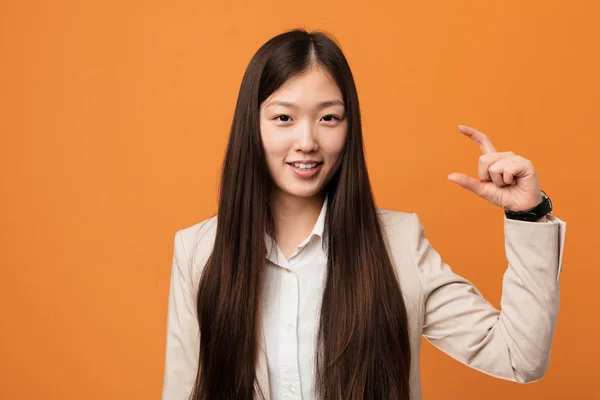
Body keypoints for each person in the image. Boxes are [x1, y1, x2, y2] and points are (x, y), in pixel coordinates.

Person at [161, 29, 567, 400]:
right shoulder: (199, 250)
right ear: (252, 125)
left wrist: (527, 215)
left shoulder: (399, 243)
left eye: (329, 118)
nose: (307, 141)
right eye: (284, 117)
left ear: (348, 127)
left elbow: (519, 356)